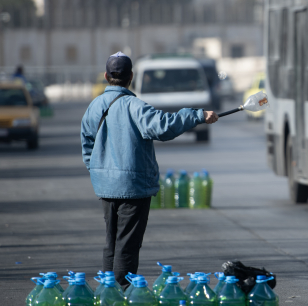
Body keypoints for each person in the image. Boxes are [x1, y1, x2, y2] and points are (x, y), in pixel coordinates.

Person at [80, 52, 218, 287]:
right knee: (127, 246)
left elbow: (87, 145)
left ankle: (107, 292)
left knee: (112, 243)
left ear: (106, 76)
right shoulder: (135, 106)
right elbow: (163, 126)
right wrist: (197, 115)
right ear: (131, 76)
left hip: (105, 186)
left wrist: (99, 171)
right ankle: (121, 295)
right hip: (133, 188)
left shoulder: (93, 107)